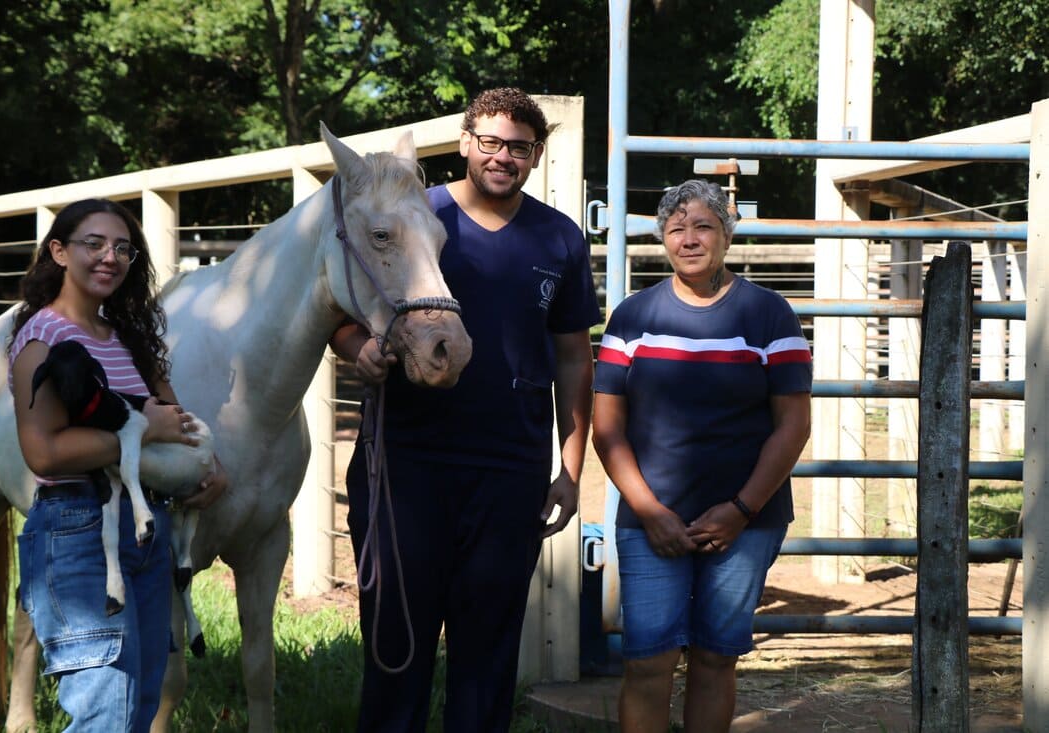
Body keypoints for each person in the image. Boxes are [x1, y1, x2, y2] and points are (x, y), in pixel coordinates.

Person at [331, 87, 601, 732]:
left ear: (536, 155)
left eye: (519, 146)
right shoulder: (412, 215)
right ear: (464, 142)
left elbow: (572, 359)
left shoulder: (560, 238)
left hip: (510, 471)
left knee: (487, 655)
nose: (502, 156)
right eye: (490, 141)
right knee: (396, 649)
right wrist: (359, 350)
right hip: (404, 462)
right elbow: (338, 318)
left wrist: (570, 468)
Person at [591, 180, 812, 732]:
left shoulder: (769, 315)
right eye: (675, 229)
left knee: (716, 658)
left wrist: (740, 509)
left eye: (703, 226)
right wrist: (649, 512)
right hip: (650, 520)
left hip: (746, 521)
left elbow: (793, 425)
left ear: (726, 234)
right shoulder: (632, 317)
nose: (688, 239)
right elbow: (607, 428)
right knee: (648, 661)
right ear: (663, 240)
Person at [8, 198, 227, 732]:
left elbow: (179, 422)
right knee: (106, 712)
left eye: (123, 248)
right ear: (58, 252)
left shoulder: (128, 339)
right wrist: (142, 429)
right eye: (94, 244)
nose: (111, 256)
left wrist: (209, 467)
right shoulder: (44, 339)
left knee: (138, 706)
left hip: (147, 529)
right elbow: (44, 452)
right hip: (76, 531)